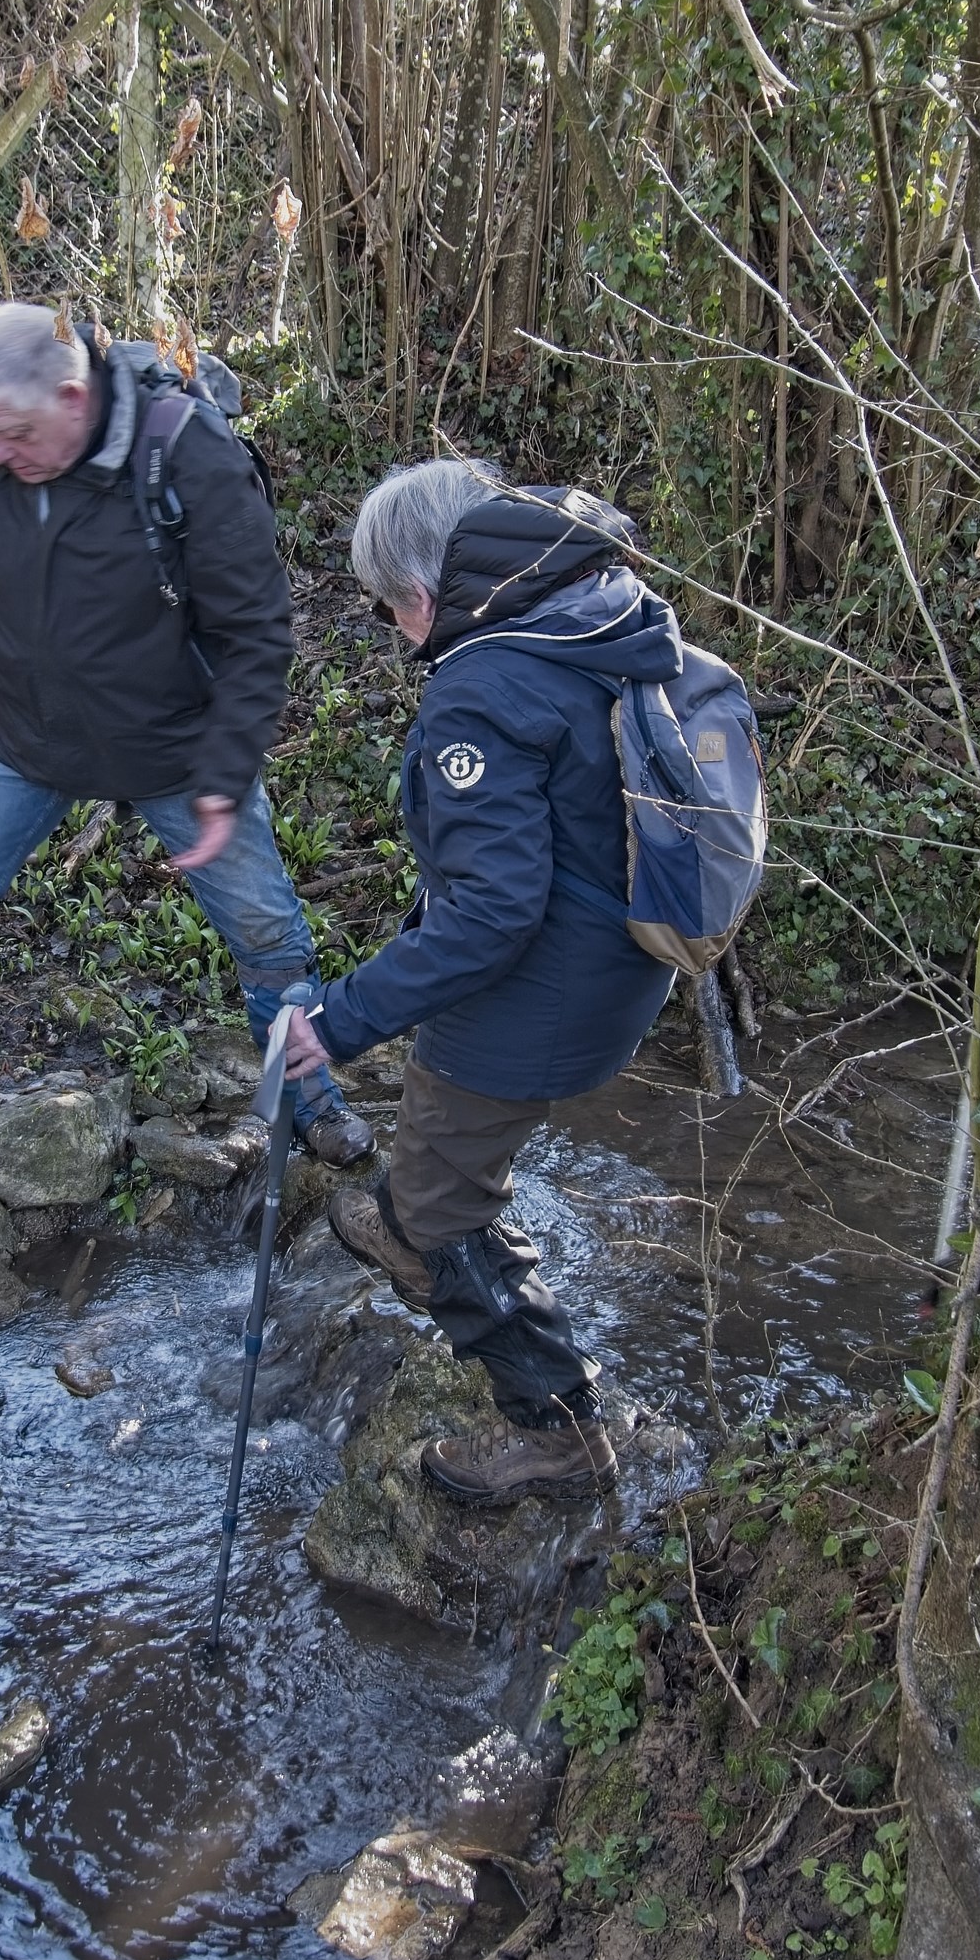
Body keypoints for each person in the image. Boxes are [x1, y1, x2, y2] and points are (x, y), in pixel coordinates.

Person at [0, 303, 375, 1166]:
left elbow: (258, 631)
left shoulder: (186, 451)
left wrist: (225, 773)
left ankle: (305, 1093)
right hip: (22, 739)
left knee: (268, 934)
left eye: (13, 434)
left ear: (74, 396)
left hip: (176, 745)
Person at [287, 462, 682, 1509]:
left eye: (386, 605)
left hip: (539, 991)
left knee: (438, 1204)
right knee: (432, 1179)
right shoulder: (586, 617)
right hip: (613, 964)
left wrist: (338, 1019)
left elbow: (491, 914)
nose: (390, 628)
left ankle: (563, 1431)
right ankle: (417, 1233)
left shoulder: (482, 687)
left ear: (422, 588)